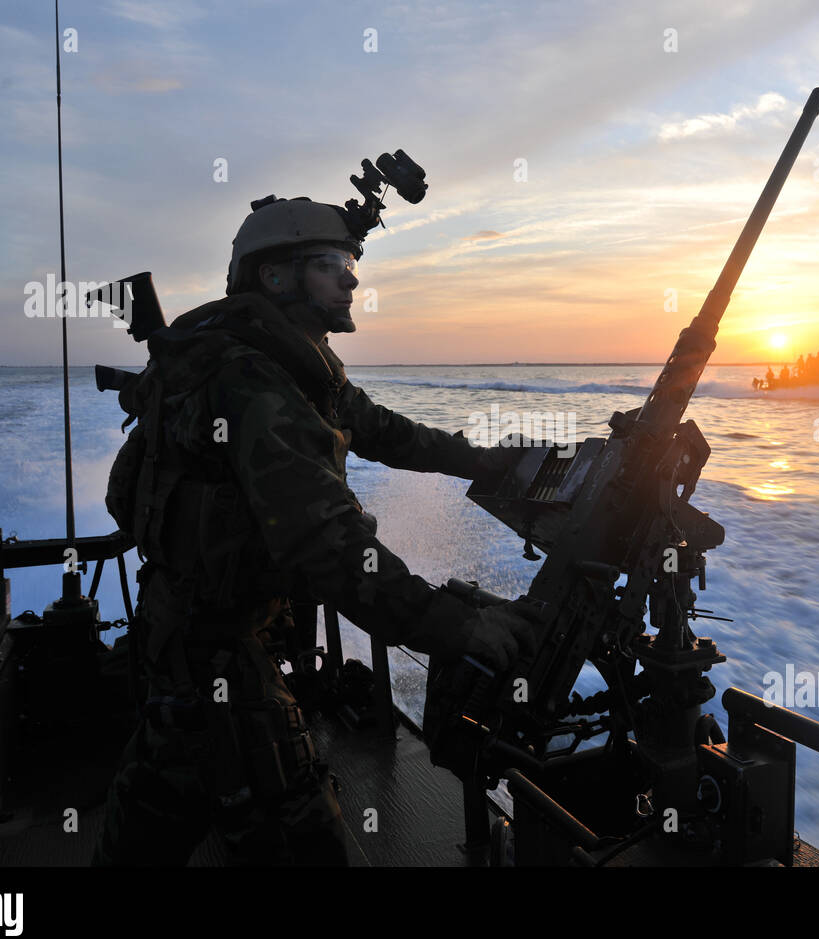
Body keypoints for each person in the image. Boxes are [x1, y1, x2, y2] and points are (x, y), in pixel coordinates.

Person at [93, 195, 540, 866]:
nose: (353, 279)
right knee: (298, 828)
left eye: (352, 263)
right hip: (218, 651)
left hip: (181, 634)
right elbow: (328, 545)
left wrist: (487, 461)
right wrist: (454, 626)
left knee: (159, 795)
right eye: (333, 264)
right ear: (275, 278)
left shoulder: (278, 365)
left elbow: (383, 429)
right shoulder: (254, 382)